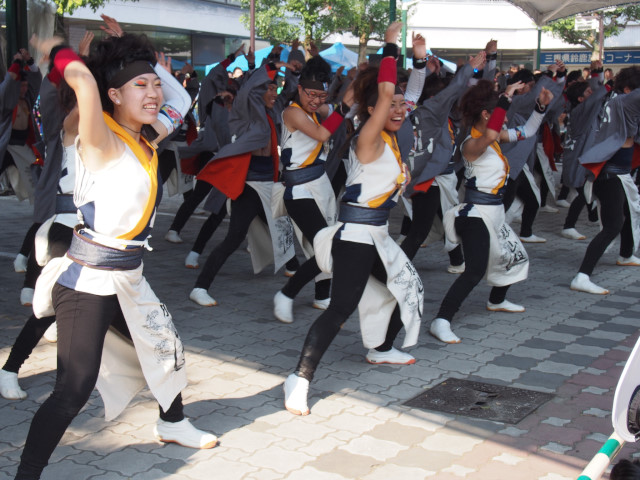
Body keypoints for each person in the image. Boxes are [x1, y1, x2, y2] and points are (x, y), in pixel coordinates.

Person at [14, 32, 217, 480]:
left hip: (129, 277)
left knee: (165, 346)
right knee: (72, 390)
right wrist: (58, 51)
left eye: (155, 84)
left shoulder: (148, 136)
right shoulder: (102, 139)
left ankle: (172, 422)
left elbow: (181, 99)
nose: (153, 92)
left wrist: (141, 59)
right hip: (90, 281)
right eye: (140, 86)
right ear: (114, 94)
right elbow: (85, 82)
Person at [283, 22, 424, 416]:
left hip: (377, 236)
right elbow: (385, 93)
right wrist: (391, 46)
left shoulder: (391, 140)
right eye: (391, 105)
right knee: (340, 308)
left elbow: (407, 95)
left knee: (407, 288)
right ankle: (299, 378)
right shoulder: (368, 137)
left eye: (402, 106)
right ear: (373, 110)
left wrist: (417, 64)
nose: (399, 109)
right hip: (357, 239)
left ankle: (380, 348)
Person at [429, 79, 554, 344]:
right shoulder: (471, 144)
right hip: (475, 215)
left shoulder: (495, 138)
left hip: (494, 213)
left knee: (514, 256)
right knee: (474, 271)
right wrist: (505, 99)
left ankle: (497, 300)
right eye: (500, 113)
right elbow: (489, 135)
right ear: (487, 114)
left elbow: (527, 131)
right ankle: (441, 320)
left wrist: (540, 108)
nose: (505, 118)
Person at [272, 54, 354, 323]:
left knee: (325, 241)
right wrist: (342, 107)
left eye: (322, 95)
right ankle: (286, 293)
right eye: (312, 94)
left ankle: (322, 295)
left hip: (320, 186)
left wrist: (358, 83)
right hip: (298, 191)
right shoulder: (292, 112)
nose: (317, 100)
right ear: (300, 89)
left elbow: (342, 108)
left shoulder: (316, 110)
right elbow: (322, 133)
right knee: (325, 245)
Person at [571, 65, 640, 295]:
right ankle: (582, 276)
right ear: (628, 89)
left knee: (629, 212)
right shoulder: (625, 101)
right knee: (613, 226)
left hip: (617, 171)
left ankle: (626, 254)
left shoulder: (616, 101)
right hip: (610, 173)